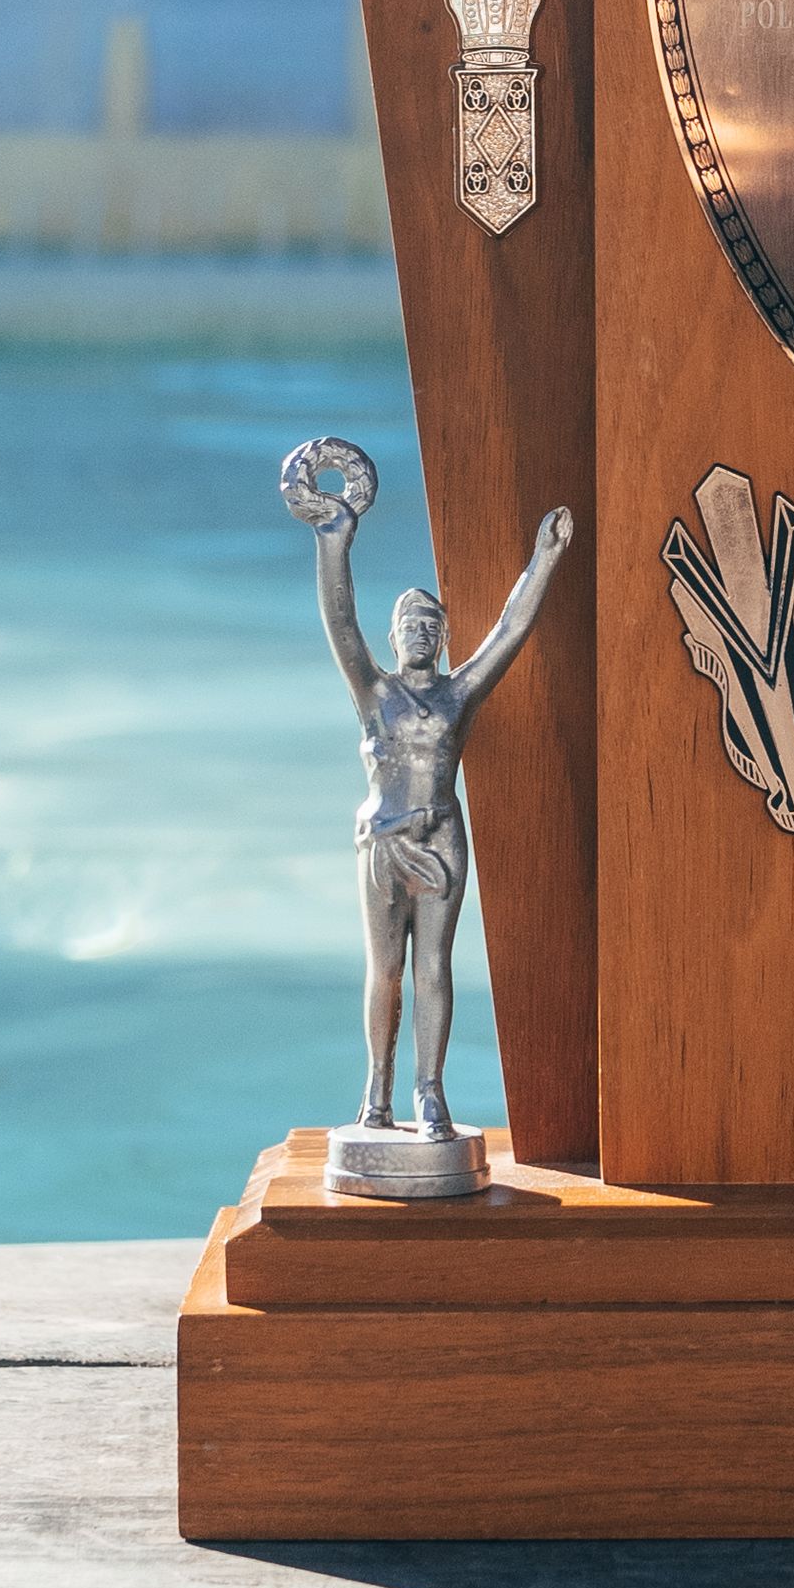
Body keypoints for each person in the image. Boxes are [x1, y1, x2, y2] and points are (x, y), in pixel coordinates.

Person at [286, 441, 572, 1161]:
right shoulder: (373, 693)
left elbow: (510, 630)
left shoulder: (458, 694)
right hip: (382, 841)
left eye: (431, 627)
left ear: (444, 641)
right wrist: (333, 542)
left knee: (435, 968)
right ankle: (377, 1094)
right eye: (408, 625)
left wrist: (543, 560)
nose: (419, 633)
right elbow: (339, 624)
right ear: (393, 638)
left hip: (442, 840)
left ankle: (430, 1091)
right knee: (383, 968)